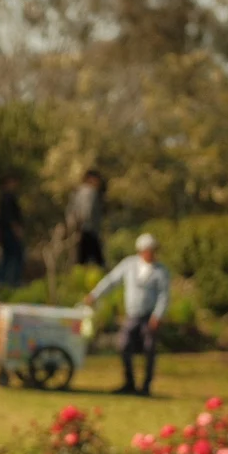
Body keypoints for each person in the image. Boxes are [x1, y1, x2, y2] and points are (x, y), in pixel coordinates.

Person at [84, 232, 170, 397]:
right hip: (132, 315)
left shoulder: (161, 271)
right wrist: (95, 295)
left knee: (149, 349)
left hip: (149, 317)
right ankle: (129, 382)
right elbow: (111, 281)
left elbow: (164, 295)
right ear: (141, 250)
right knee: (123, 344)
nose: (150, 253)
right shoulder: (129, 265)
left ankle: (146, 386)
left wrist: (158, 315)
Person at [67, 168, 106, 267]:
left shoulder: (78, 191)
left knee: (82, 259)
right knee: (97, 261)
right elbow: (86, 212)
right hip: (88, 229)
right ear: (91, 179)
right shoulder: (90, 192)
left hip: (81, 229)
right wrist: (82, 223)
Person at [0, 173, 25, 288]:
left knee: (7, 256)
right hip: (9, 232)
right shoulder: (7, 197)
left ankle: (4, 281)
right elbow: (9, 217)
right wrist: (16, 229)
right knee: (14, 256)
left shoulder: (3, 197)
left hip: (6, 231)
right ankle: (10, 282)